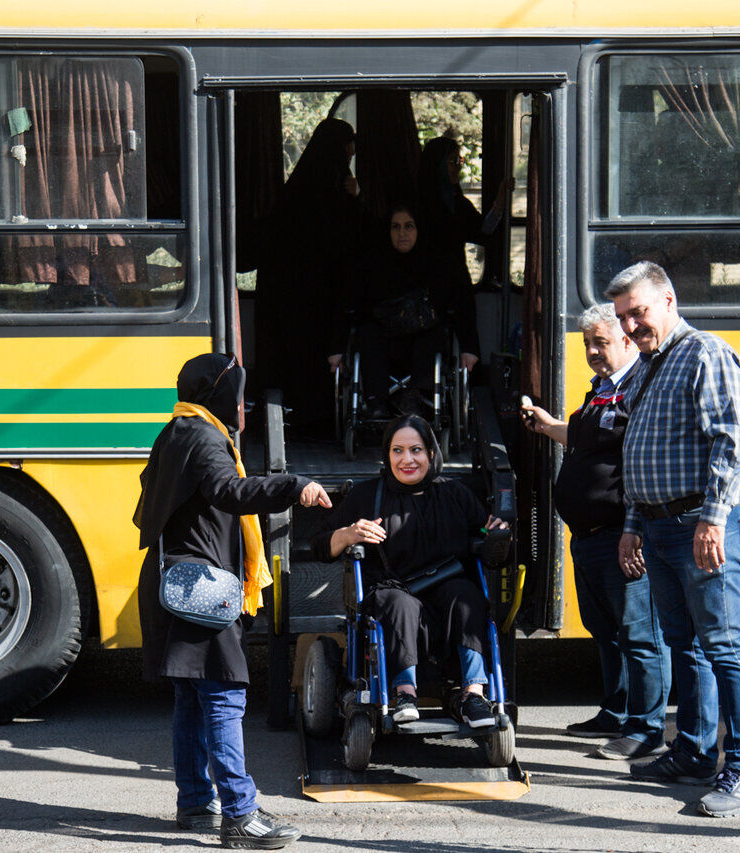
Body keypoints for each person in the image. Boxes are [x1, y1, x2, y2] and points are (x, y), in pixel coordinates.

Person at [133, 352, 331, 848]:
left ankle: (197, 804)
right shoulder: (203, 436)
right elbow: (229, 491)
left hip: (176, 582)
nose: (240, 403)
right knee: (223, 695)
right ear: (215, 393)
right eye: (235, 392)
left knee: (192, 699)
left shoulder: (175, 431)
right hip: (202, 589)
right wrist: (294, 486)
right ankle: (240, 815)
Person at [605, 261, 740, 818]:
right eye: (624, 317)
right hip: (660, 527)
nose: (630, 326)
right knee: (688, 647)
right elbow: (636, 455)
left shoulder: (705, 353)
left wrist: (714, 519)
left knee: (723, 645)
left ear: (668, 300)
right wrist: (632, 527)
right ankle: (697, 753)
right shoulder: (650, 366)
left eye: (639, 313)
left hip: (701, 526)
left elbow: (730, 440)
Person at [521, 304, 671, 761]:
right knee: (604, 630)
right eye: (587, 343)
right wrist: (549, 427)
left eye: (600, 342)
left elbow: (642, 461)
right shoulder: (600, 392)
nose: (591, 352)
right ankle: (617, 709)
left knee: (640, 634)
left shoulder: (640, 389)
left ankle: (647, 730)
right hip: (588, 537)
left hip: (620, 536)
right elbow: (589, 441)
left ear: (627, 340)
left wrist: (635, 529)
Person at [311, 415, 508, 727]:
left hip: (446, 586)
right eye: (397, 451)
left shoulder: (455, 494)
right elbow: (320, 546)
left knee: (468, 595)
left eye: (416, 450)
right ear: (387, 455)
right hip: (392, 589)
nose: (407, 459)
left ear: (431, 453)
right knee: (399, 603)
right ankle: (405, 693)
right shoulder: (366, 496)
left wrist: (496, 530)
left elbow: (486, 535)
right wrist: (349, 533)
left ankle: (474, 694)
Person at [255, 117, 362, 432]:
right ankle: (319, 421)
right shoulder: (337, 192)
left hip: (286, 294)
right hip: (323, 294)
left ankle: (295, 420)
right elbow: (352, 240)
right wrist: (356, 200)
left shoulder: (296, 189)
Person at [329, 203, 472, 419]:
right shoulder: (371, 264)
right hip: (383, 341)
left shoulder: (439, 264)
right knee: (367, 332)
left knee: (435, 332)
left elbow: (463, 304)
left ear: (419, 229)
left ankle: (417, 399)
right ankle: (376, 402)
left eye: (409, 226)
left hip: (423, 342)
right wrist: (337, 349)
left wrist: (469, 349)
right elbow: (347, 304)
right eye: (395, 227)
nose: (402, 233)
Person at [415, 136, 504, 374]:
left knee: (459, 282)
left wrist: (498, 206)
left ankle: (469, 356)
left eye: (460, 160)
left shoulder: (457, 202)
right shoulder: (416, 202)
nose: (458, 166)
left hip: (452, 280)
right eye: (453, 161)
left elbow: (481, 230)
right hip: (419, 281)